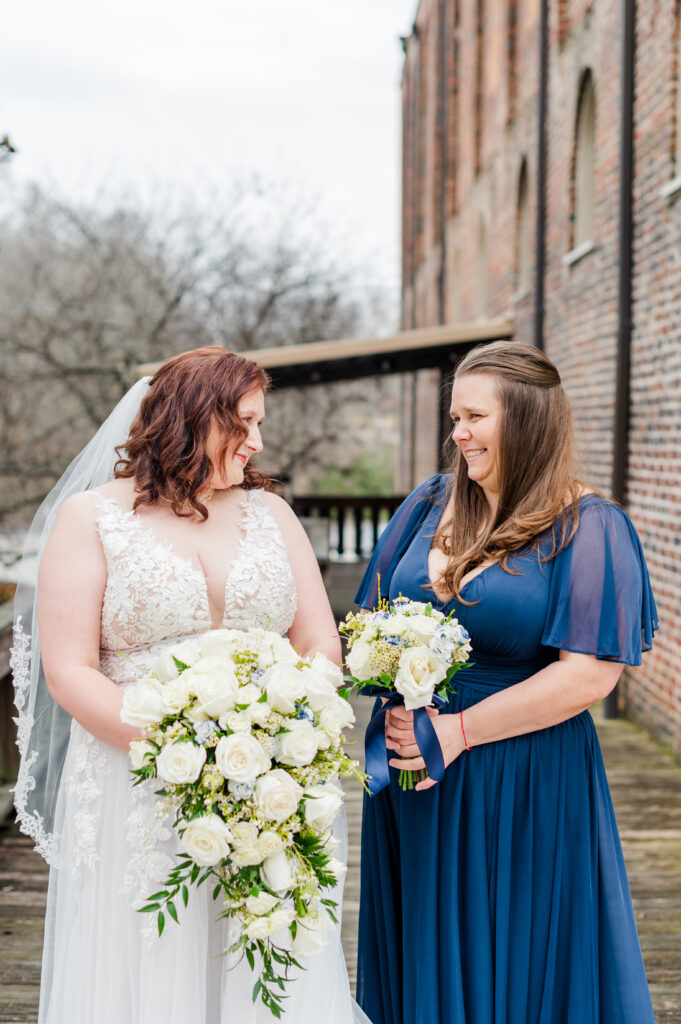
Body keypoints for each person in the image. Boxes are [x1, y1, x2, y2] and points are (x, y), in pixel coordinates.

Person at [12, 346, 370, 1024]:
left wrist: (276, 730)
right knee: (152, 950)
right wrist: (184, 748)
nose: (258, 441)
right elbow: (68, 669)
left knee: (258, 944)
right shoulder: (92, 518)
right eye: (244, 422)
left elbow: (320, 640)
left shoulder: (273, 514)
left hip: (269, 775)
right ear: (191, 418)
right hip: (137, 776)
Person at [355, 341, 658, 1024]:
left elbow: (587, 676)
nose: (458, 433)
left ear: (525, 419)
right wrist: (401, 707)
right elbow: (369, 620)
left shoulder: (587, 526)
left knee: (514, 950)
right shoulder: (426, 502)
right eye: (453, 417)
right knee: (421, 938)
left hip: (519, 775)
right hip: (414, 772)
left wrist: (456, 732)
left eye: (474, 417)